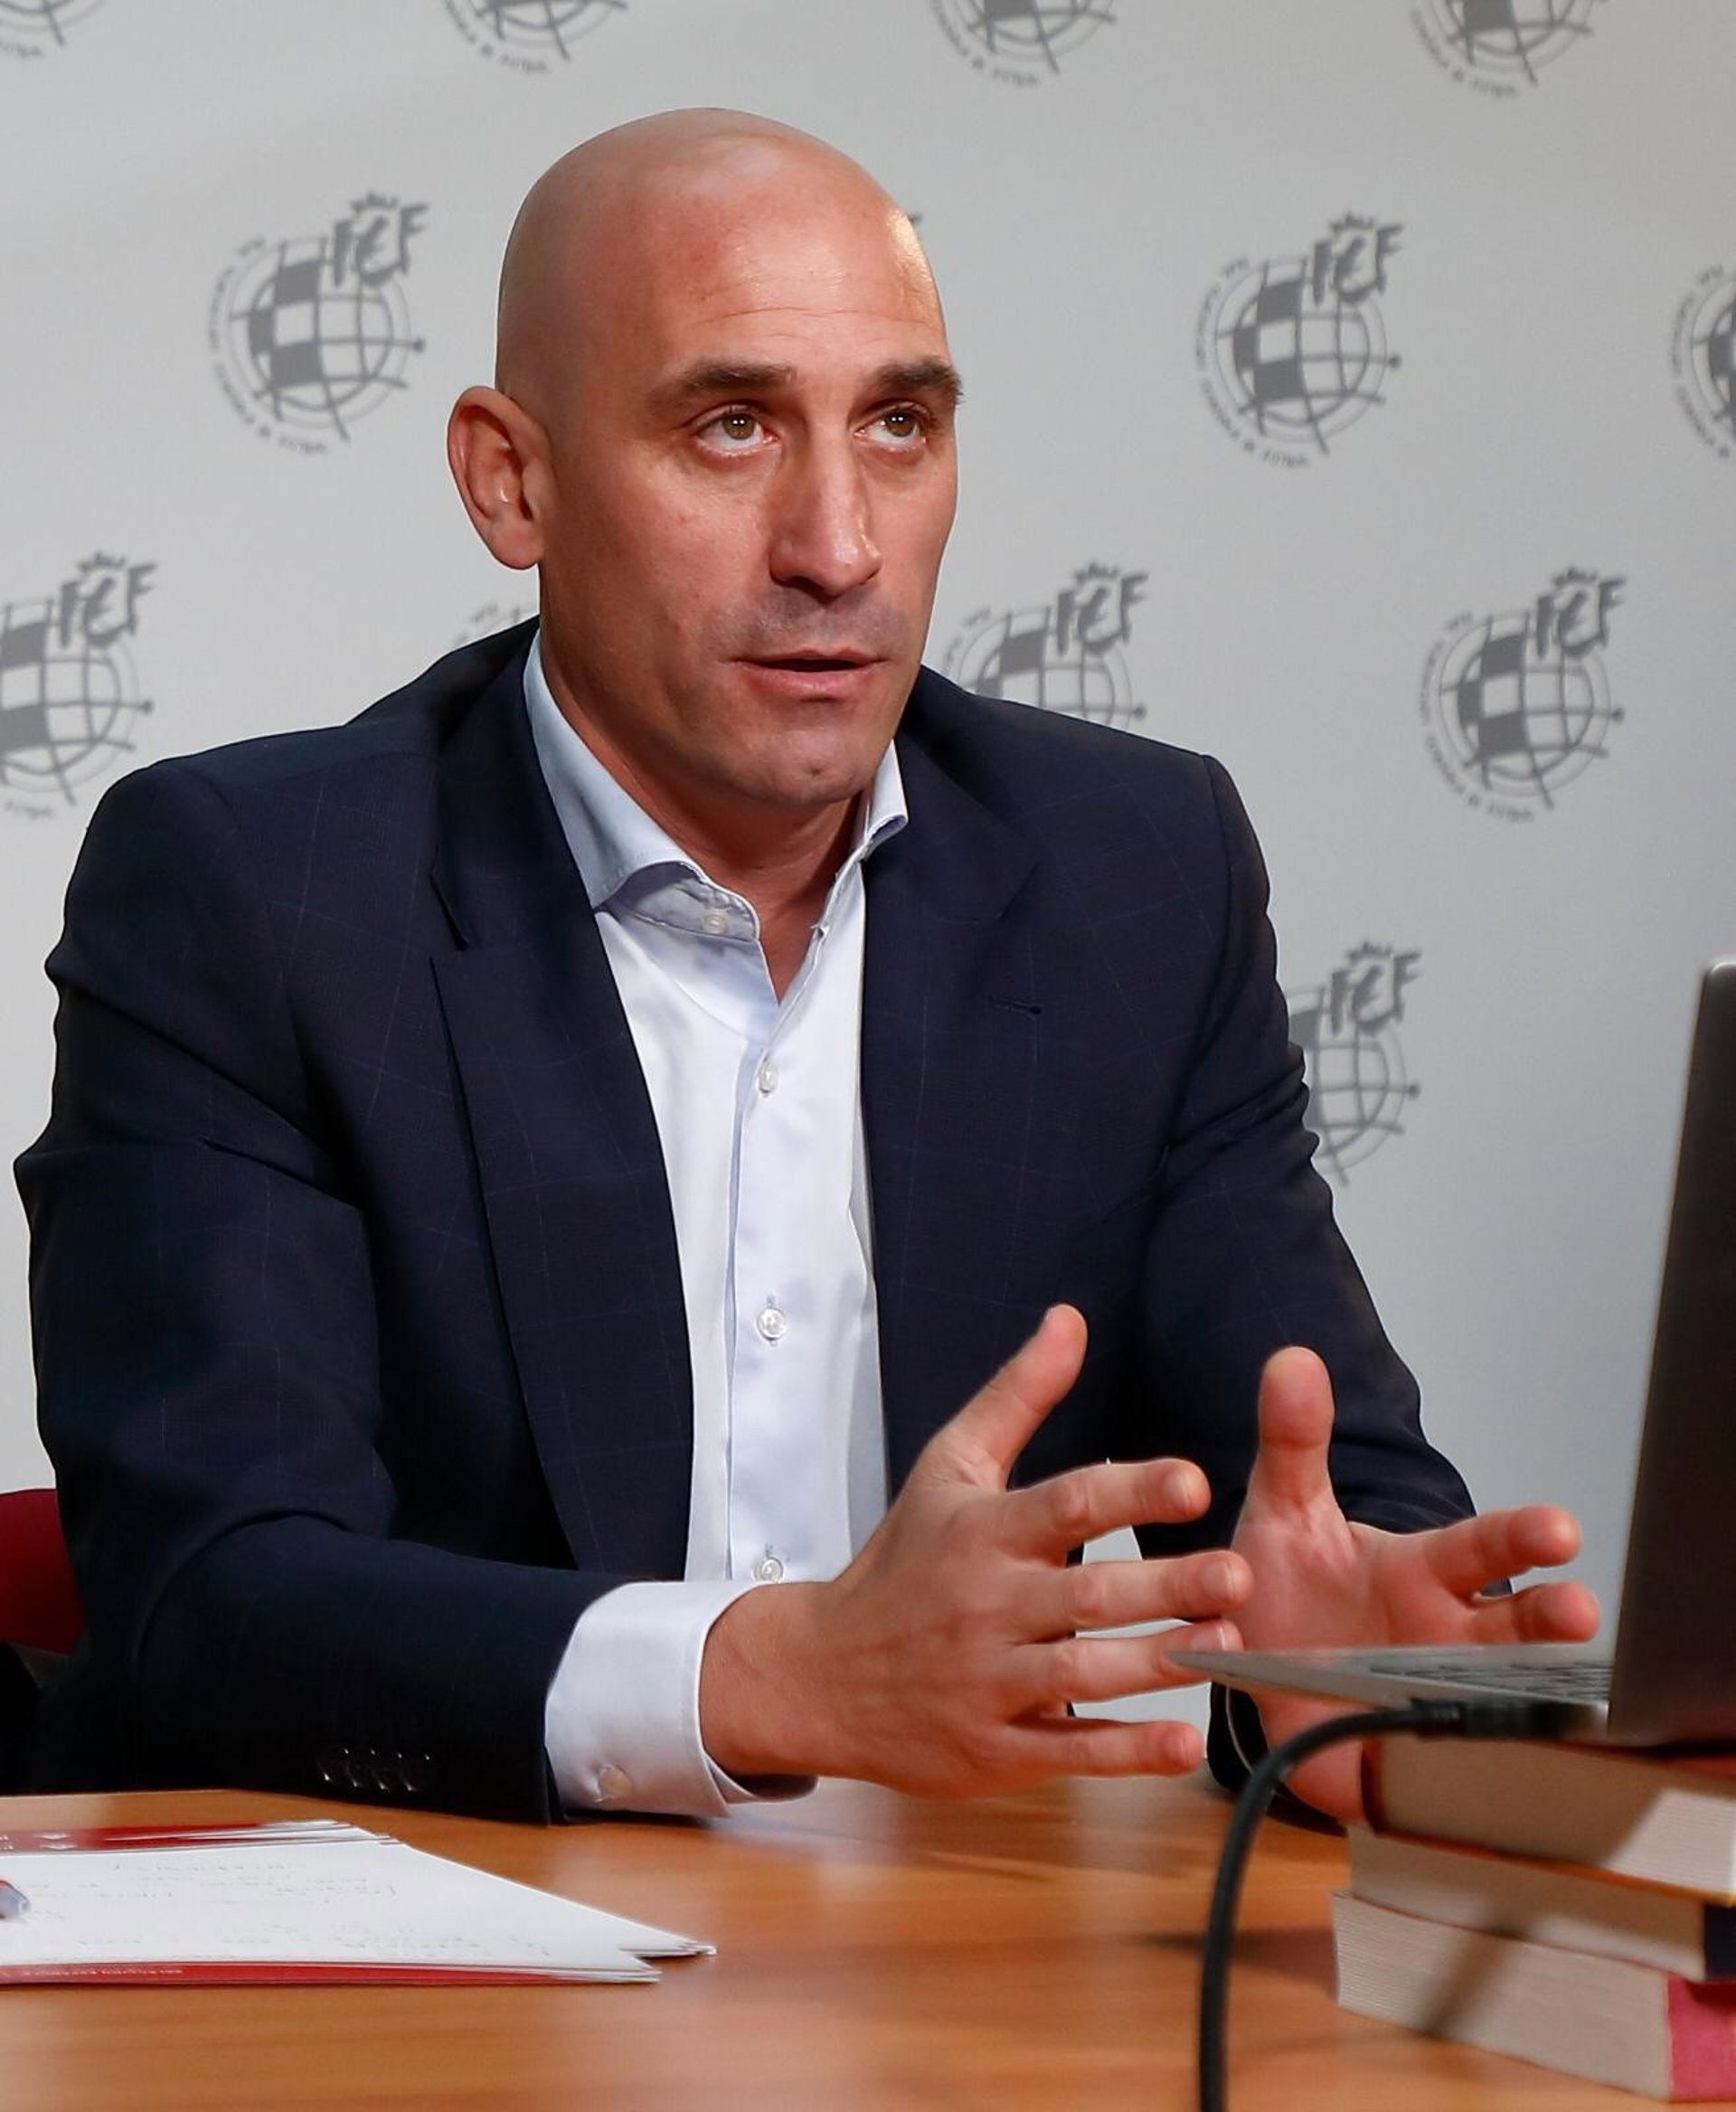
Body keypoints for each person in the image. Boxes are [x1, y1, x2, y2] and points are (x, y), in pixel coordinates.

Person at [14, 110, 1597, 1826]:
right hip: (453, 1946)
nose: (838, 546)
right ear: (511, 481)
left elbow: (1320, 1500)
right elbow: (216, 1599)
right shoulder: (259, 895)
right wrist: (773, 1676)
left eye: (900, 424)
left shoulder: (1135, 875)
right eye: (732, 426)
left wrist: (1344, 1676)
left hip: (967, 1955)